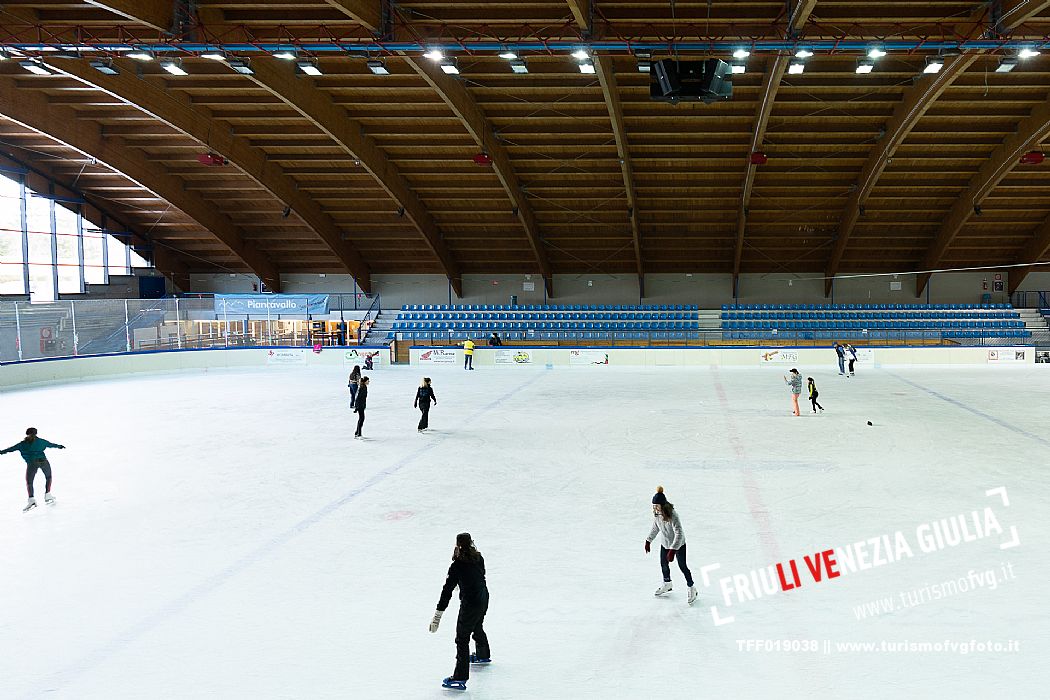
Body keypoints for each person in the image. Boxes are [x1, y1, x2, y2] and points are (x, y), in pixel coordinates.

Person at [429, 532, 491, 691]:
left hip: (470, 604)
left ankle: (460, 677)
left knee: (462, 639)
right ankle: (483, 655)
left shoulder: (456, 566)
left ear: (457, 546)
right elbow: (480, 575)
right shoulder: (478, 557)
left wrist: (438, 615)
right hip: (483, 597)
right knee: (477, 626)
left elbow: (447, 590)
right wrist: (464, 583)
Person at [645, 487, 697, 605]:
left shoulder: (673, 515)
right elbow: (655, 528)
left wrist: (673, 550)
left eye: (657, 505)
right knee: (663, 564)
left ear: (663, 506)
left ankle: (692, 588)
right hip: (665, 544)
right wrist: (648, 540)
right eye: (654, 506)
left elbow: (679, 533)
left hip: (678, 545)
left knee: (682, 566)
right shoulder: (657, 515)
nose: (655, 508)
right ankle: (667, 584)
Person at [1, 427, 65, 512]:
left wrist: (1, 452)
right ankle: (48, 495)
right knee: (48, 477)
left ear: (27, 434)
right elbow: (51, 445)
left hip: (32, 463)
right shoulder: (42, 441)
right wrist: (60, 446)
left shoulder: (22, 444)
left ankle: (31, 500)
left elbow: (10, 449)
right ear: (36, 433)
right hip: (44, 461)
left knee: (29, 482)